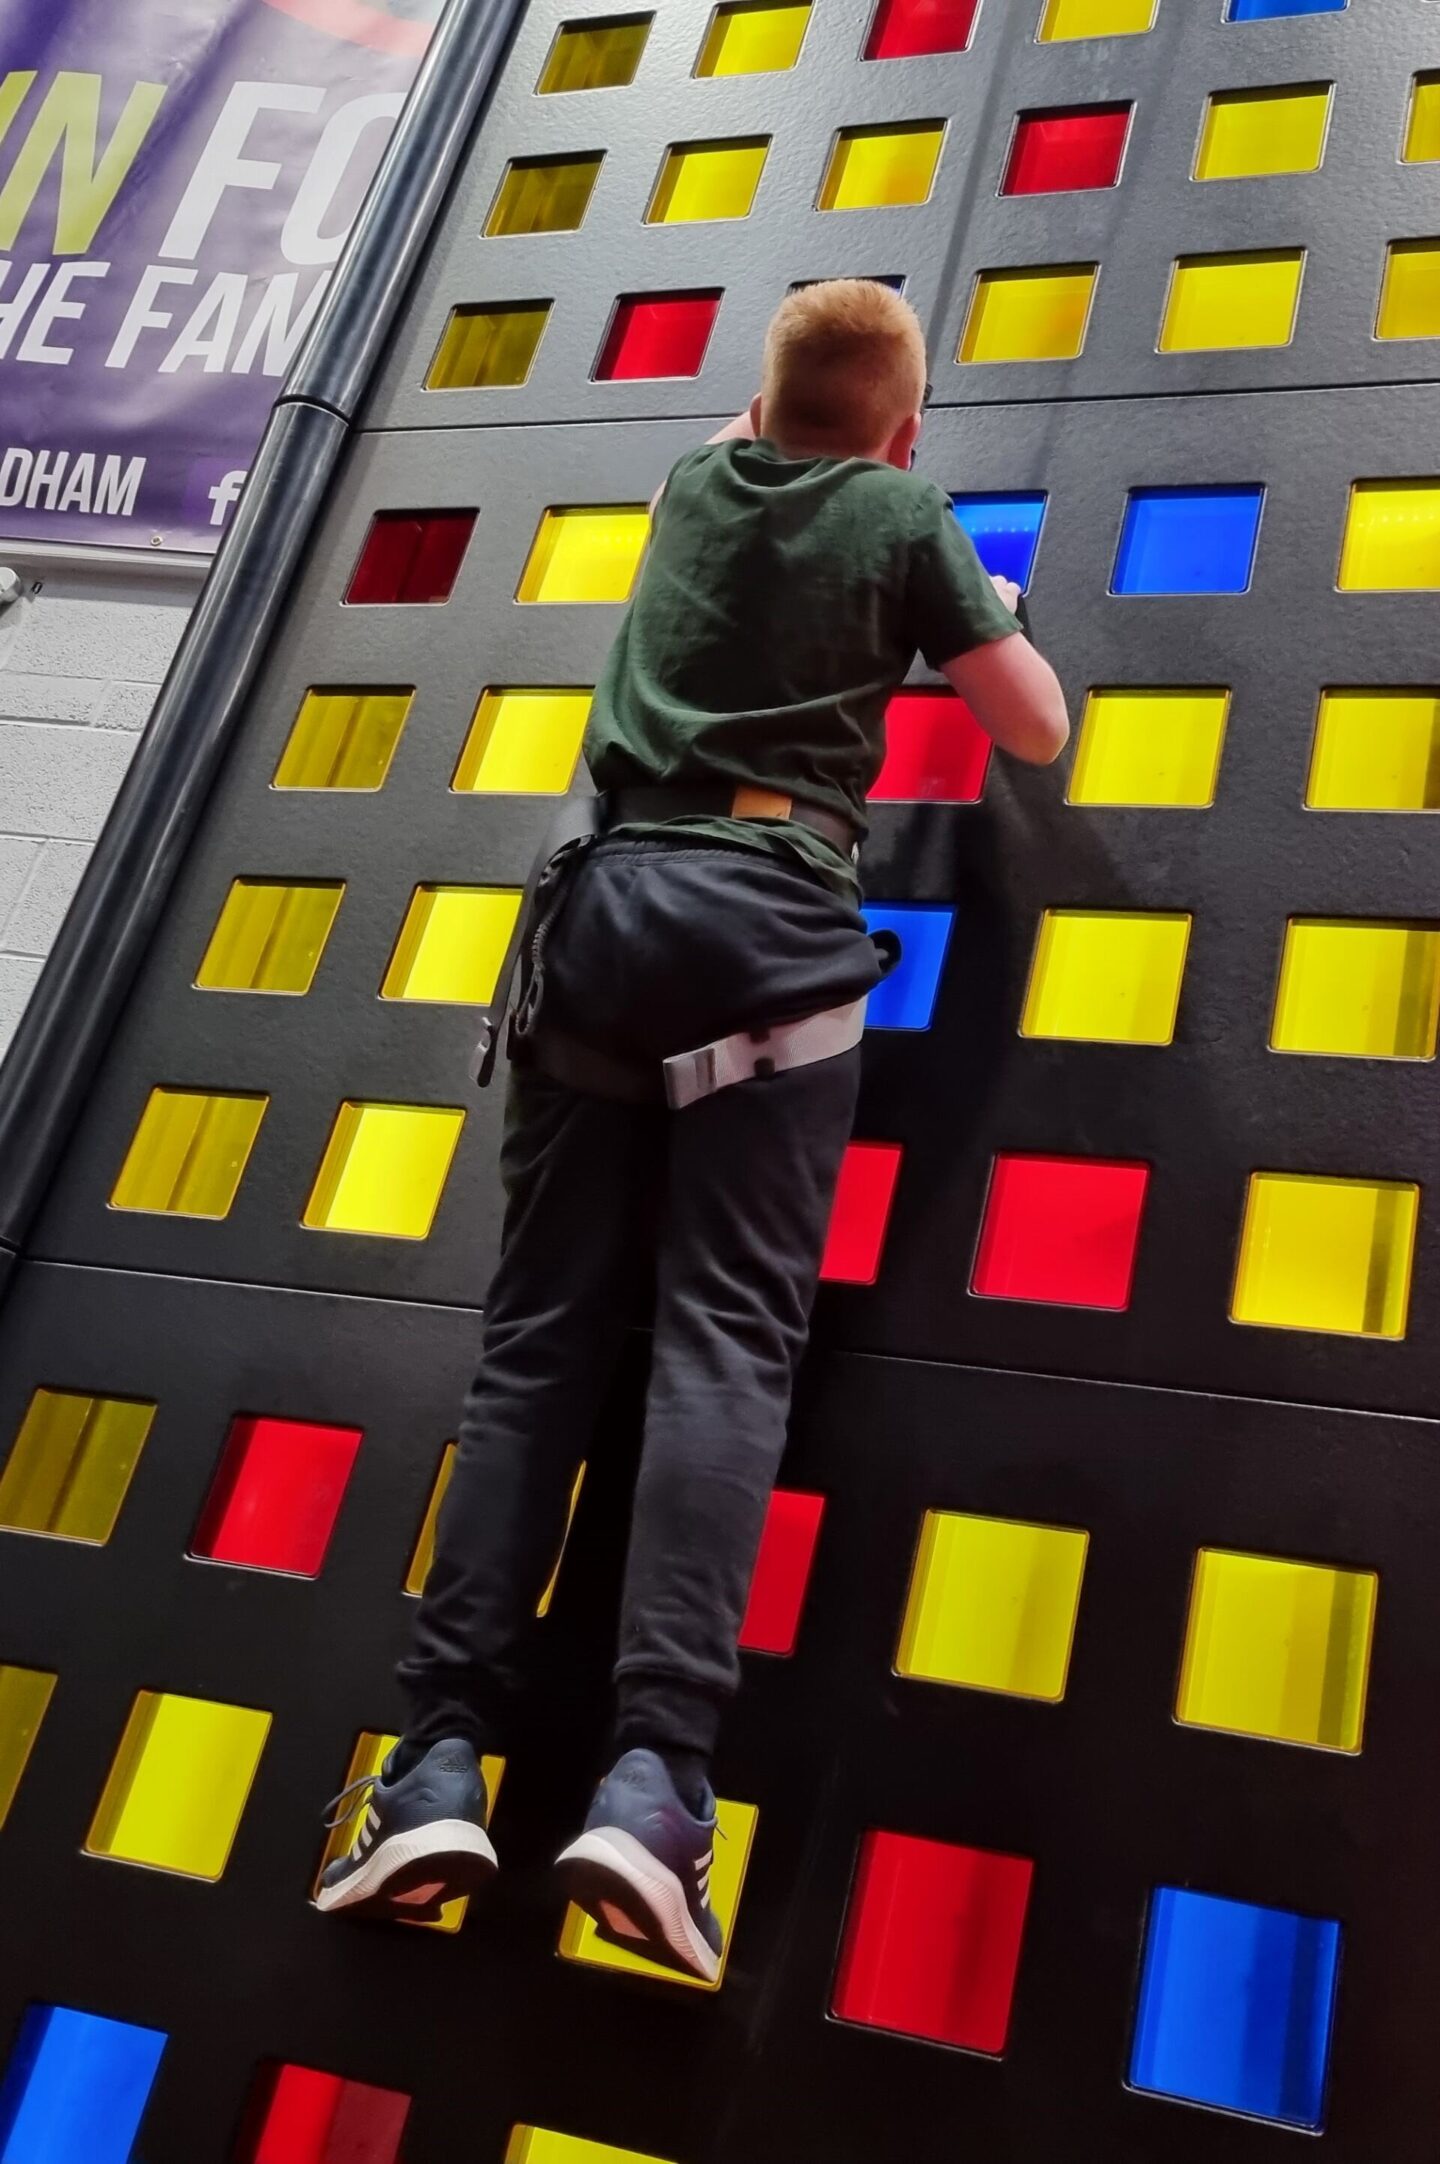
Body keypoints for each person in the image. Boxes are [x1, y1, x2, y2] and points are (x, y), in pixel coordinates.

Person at [316, 279, 1070, 1981]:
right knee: (721, 1348)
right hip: (768, 934)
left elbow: (766, 434)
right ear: (905, 431)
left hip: (600, 914)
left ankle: (433, 1767)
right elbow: (1034, 722)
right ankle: (652, 1792)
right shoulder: (905, 514)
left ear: (759, 400)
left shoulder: (690, 482)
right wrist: (957, 601)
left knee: (537, 1349)